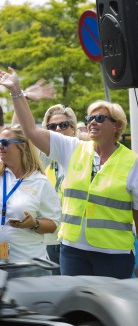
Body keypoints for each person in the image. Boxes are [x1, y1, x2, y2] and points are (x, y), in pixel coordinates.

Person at [0, 68, 138, 279]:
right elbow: (30, 131)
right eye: (90, 117)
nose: (92, 121)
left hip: (114, 255)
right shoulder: (73, 149)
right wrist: (17, 91)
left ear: (116, 126)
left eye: (100, 118)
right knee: (74, 301)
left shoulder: (133, 163)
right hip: (73, 252)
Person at [0, 123, 61, 278]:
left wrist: (34, 224)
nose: (0, 146)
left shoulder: (40, 182)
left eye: (5, 142)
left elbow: (54, 225)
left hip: (29, 266)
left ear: (23, 146)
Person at [39, 104, 80, 269]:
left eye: (63, 125)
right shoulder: (43, 160)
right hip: (50, 238)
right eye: (52, 127)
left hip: (75, 239)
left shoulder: (84, 155)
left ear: (73, 128)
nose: (58, 130)